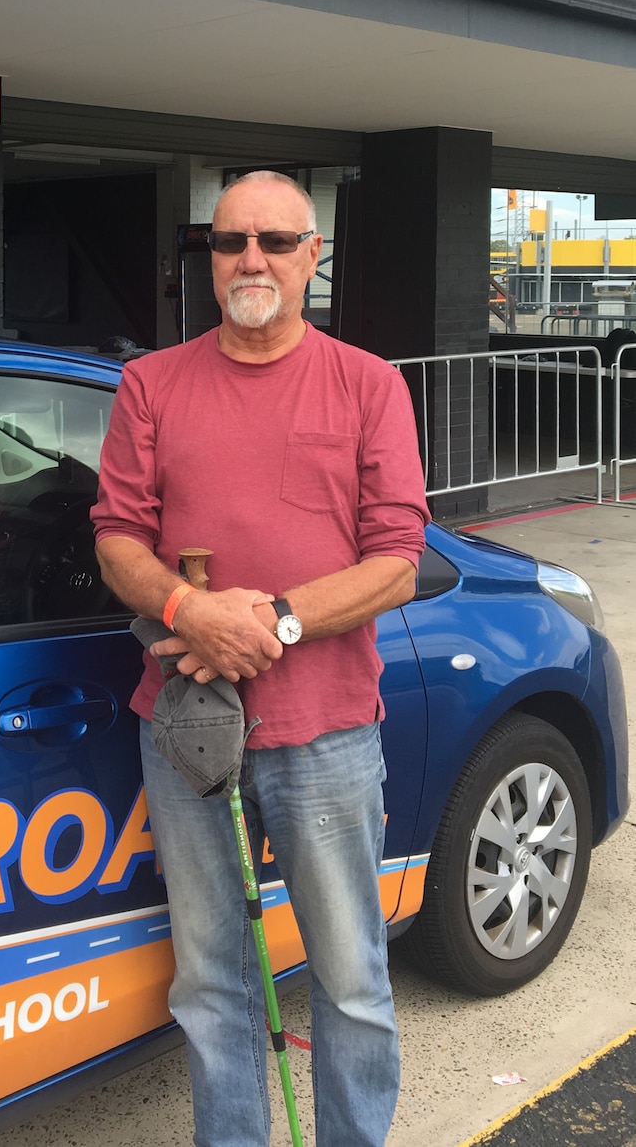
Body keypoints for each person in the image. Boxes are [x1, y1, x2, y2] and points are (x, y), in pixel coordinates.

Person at [91, 170, 430, 1147]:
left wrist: (271, 621)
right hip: (187, 732)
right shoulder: (151, 383)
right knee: (211, 982)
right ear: (208, 254)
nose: (251, 260)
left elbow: (396, 561)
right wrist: (186, 607)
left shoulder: (367, 384)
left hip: (326, 735)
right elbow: (117, 538)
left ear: (311, 257)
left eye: (276, 242)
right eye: (231, 240)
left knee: (351, 980)